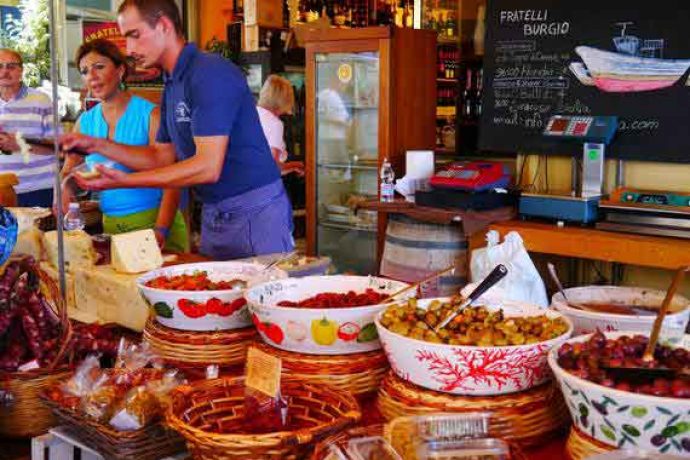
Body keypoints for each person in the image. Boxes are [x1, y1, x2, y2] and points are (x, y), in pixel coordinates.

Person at [61, 0, 293, 260]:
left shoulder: (209, 73)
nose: (130, 48)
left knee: (261, 294)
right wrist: (97, 145)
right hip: (213, 212)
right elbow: (161, 158)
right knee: (214, 296)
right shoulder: (173, 84)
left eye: (134, 35)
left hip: (254, 210)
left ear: (163, 26)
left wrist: (124, 180)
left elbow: (208, 166)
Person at [60, 38, 188, 252]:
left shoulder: (151, 115)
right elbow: (70, 168)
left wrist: (161, 229)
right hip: (110, 225)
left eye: (99, 67)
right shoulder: (85, 122)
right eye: (84, 71)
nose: (92, 76)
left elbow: (173, 180)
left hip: (155, 222)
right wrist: (64, 187)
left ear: (120, 70)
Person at [0, 48, 55, 207]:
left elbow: (58, 146)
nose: (5, 71)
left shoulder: (41, 100)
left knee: (41, 233)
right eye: (0, 66)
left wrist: (21, 144)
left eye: (11, 66)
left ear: (21, 70)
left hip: (38, 189)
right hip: (2, 190)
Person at [256, 75, 304, 176]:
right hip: (266, 184)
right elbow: (272, 167)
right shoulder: (274, 124)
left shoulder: (253, 113)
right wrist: (296, 164)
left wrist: (292, 167)